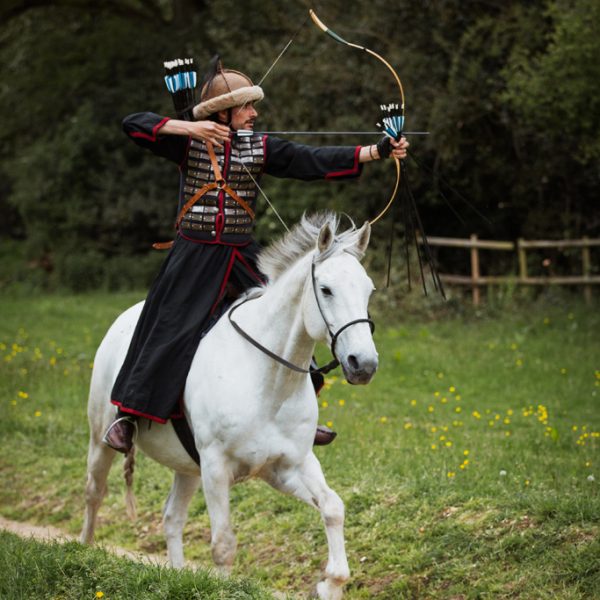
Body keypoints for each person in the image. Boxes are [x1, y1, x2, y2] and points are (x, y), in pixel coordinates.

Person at [103, 61, 409, 454]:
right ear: (223, 113)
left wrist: (378, 150)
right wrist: (190, 127)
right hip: (193, 256)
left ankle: (301, 415)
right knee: (169, 325)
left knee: (285, 321)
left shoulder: (259, 147)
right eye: (246, 107)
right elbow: (133, 123)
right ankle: (129, 415)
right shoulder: (189, 142)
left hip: (242, 256)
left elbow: (312, 160)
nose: (254, 114)